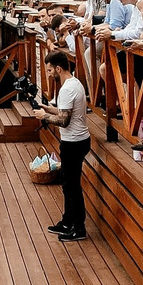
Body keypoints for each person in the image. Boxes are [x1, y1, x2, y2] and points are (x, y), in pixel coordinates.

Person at [33, 50, 92, 240]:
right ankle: (67, 221)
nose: (49, 74)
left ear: (59, 68)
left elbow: (64, 120)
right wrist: (48, 109)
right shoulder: (74, 83)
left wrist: (45, 117)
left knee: (72, 186)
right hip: (77, 140)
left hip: (74, 142)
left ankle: (79, 228)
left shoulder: (67, 89)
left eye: (50, 71)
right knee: (67, 183)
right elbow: (65, 111)